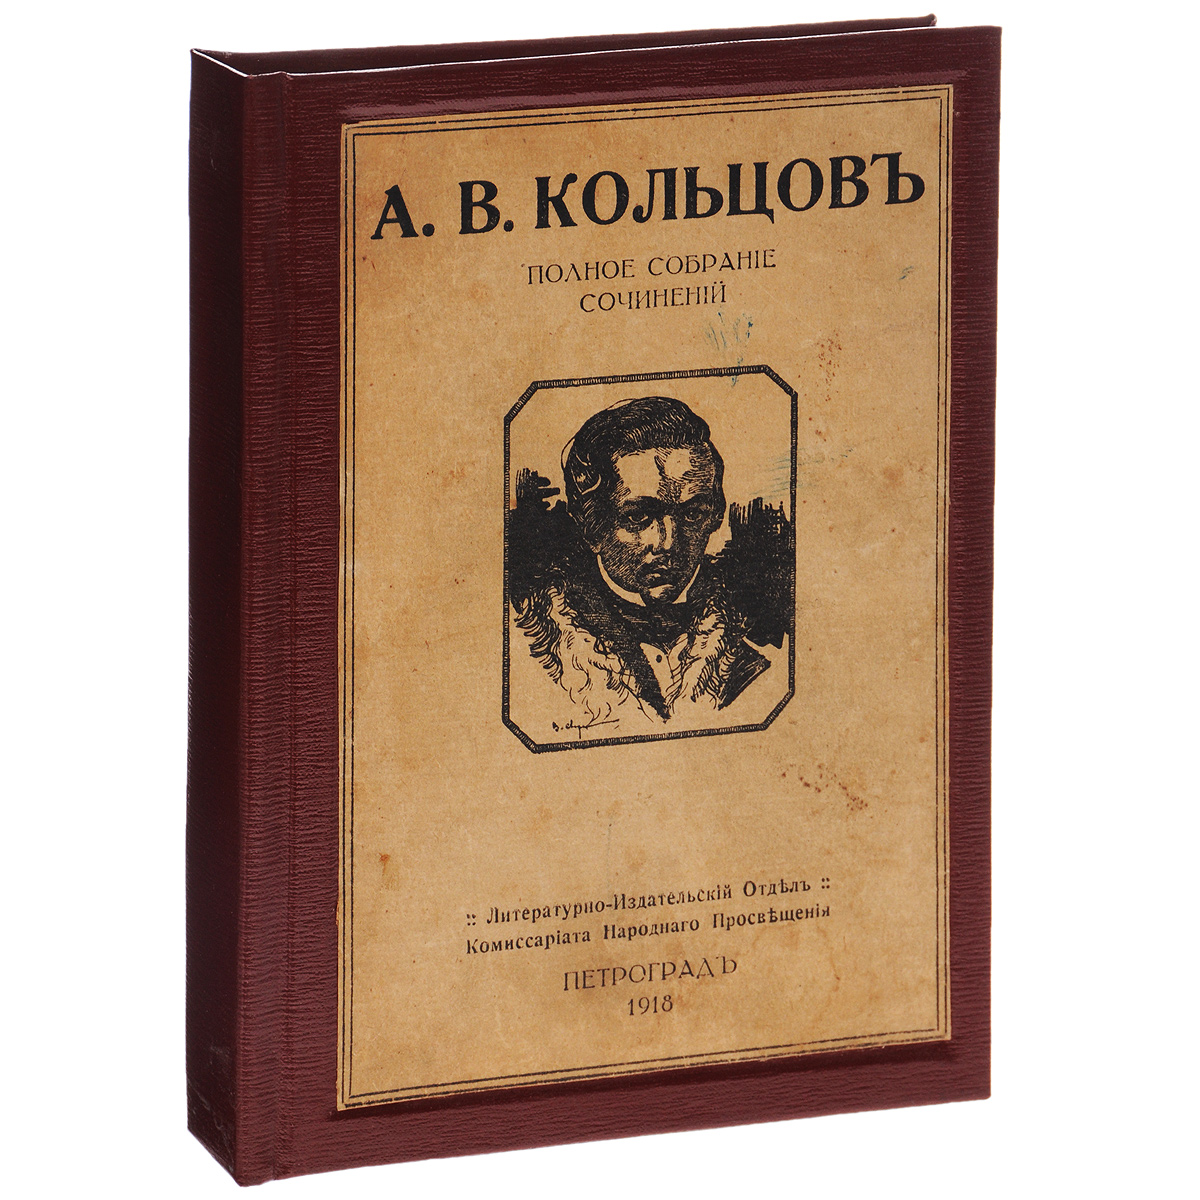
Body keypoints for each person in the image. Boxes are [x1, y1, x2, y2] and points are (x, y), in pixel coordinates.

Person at [512, 396, 774, 727]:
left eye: (692, 514)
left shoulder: (748, 668)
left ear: (714, 517)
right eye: (638, 517)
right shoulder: (538, 654)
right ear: (591, 526)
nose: (668, 543)